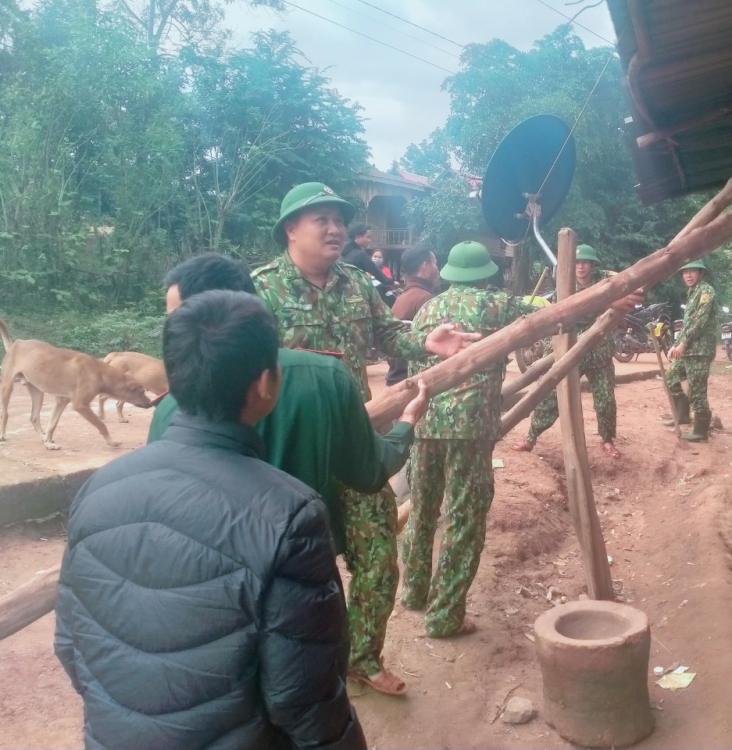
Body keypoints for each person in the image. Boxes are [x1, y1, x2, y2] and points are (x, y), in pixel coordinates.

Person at [55, 290, 366, 750]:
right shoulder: (290, 515)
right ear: (266, 383)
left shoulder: (98, 488)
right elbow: (302, 697)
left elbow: (70, 644)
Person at [253, 182, 478, 696]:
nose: (334, 229)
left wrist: (424, 340)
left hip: (357, 440)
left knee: (378, 557)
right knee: (288, 568)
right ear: (291, 229)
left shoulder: (357, 284)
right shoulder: (260, 290)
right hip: (291, 453)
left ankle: (361, 657)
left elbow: (387, 335)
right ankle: (285, 669)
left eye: (339, 219)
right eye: (321, 220)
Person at [149, 253, 428, 566]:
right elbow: (368, 469)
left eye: (178, 317)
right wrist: (405, 425)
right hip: (296, 564)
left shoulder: (169, 408)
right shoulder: (323, 377)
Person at [401, 241, 538, 637]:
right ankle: (444, 616)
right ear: (487, 272)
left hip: (423, 421)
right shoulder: (495, 305)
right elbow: (551, 317)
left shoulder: (427, 308)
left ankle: (413, 590)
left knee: (423, 506)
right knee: (463, 516)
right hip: (469, 427)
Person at [513, 244, 624, 458]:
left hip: (599, 350)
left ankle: (608, 439)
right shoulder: (565, 286)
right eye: (576, 262)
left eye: (585, 262)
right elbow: (558, 317)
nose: (581, 267)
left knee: (606, 399)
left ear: (593, 265)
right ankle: (531, 437)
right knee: (551, 394)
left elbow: (625, 279)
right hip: (572, 348)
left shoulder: (604, 280)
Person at [664, 258, 718, 442]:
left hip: (700, 351)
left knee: (697, 390)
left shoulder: (706, 291)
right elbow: (687, 324)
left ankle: (701, 431)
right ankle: (682, 415)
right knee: (670, 377)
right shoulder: (692, 292)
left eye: (692, 271)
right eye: (685, 272)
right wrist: (675, 343)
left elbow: (700, 321)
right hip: (687, 348)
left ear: (701, 273)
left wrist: (683, 343)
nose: (688, 275)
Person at [386, 244, 439, 388]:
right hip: (413, 385)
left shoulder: (401, 298)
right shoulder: (427, 300)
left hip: (398, 380)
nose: (437, 269)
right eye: (435, 264)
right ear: (426, 266)